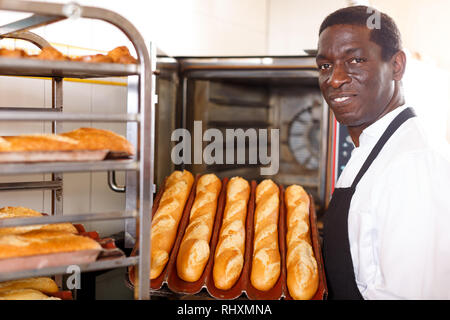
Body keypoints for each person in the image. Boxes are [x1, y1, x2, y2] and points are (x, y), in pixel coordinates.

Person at [316, 6, 450, 299]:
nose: (335, 79)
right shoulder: (374, 146)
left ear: (397, 65)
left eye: (355, 60)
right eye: (325, 65)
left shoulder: (413, 162)